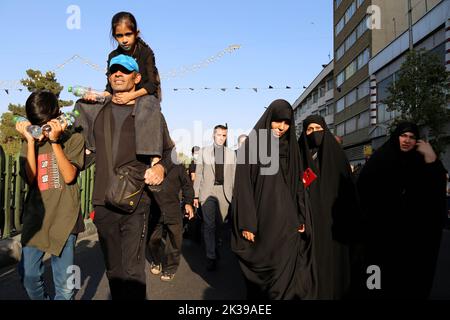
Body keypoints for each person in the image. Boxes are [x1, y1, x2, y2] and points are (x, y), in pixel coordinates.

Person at [73, 54, 175, 300]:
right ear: (108, 77)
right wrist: (81, 106)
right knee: (114, 271)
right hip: (103, 202)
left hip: (136, 203)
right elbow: (80, 149)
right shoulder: (95, 110)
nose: (118, 74)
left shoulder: (149, 113)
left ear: (136, 77)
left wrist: (160, 168)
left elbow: (169, 152)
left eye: (125, 71)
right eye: (113, 71)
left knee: (133, 270)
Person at [357, 121, 447, 299]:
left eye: (412, 137)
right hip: (380, 236)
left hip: (411, 239)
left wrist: (431, 159)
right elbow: (363, 192)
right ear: (396, 137)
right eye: (403, 136)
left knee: (405, 285)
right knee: (376, 283)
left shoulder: (421, 162)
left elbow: (435, 193)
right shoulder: (381, 159)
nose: (407, 140)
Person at [231, 99, 307, 300]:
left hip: (287, 221)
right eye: (277, 121)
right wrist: (247, 222)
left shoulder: (292, 148)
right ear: (269, 119)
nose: (281, 127)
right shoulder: (253, 145)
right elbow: (243, 186)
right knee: (263, 268)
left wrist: (301, 216)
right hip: (261, 219)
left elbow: (298, 184)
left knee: (286, 268)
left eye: (286, 122)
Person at [16, 90, 85, 300]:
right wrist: (29, 141)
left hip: (65, 219)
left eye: (44, 125)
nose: (42, 132)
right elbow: (30, 179)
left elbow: (69, 176)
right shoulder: (30, 142)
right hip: (36, 220)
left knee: (65, 287)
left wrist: (55, 142)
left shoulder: (74, 138)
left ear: (56, 117)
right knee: (28, 276)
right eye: (37, 125)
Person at [297, 115, 361, 299]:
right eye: (309, 129)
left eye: (318, 128)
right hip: (309, 223)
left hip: (336, 225)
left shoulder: (337, 156)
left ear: (325, 129)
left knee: (333, 267)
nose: (314, 133)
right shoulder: (299, 156)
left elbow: (349, 192)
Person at [193, 125, 236, 271]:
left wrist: (235, 195)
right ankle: (210, 256)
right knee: (209, 225)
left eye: (224, 136)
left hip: (225, 192)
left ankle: (215, 243)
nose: (222, 138)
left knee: (220, 224)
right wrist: (196, 195)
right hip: (208, 192)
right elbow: (199, 174)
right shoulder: (204, 152)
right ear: (213, 135)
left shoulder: (231, 154)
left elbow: (234, 176)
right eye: (219, 135)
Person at [147, 163, 195, 281]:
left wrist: (188, 203)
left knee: (174, 242)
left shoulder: (178, 166)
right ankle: (156, 261)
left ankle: (170, 268)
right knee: (153, 240)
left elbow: (187, 185)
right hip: (154, 211)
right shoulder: (148, 164)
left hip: (173, 210)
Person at [105, 11, 161, 103]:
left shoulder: (146, 52)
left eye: (128, 34)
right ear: (115, 37)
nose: (124, 40)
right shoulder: (113, 56)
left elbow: (152, 85)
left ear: (136, 33)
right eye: (119, 36)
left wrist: (130, 96)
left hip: (145, 95)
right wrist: (98, 95)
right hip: (119, 98)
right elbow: (109, 87)